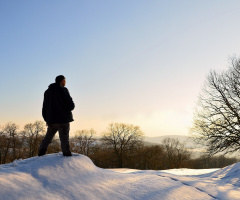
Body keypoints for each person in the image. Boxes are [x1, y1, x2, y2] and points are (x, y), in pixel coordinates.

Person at [38, 75, 75, 156]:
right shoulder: (63, 90)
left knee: (47, 138)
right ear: (61, 81)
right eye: (64, 81)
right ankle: (67, 155)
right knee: (64, 139)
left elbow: (44, 107)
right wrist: (70, 108)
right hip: (63, 119)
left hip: (51, 120)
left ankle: (41, 153)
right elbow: (70, 105)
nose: (65, 82)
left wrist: (47, 119)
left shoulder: (47, 92)